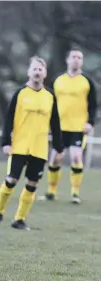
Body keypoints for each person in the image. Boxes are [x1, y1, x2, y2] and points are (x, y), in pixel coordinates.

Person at [0, 56, 64, 231]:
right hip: (19, 146)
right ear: (29, 72)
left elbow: (56, 123)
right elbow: (8, 119)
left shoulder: (50, 96)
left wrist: (59, 147)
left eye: (40, 70)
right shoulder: (20, 93)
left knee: (32, 183)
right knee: (11, 180)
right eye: (34, 69)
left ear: (45, 73)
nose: (37, 72)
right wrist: (6, 141)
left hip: (40, 148)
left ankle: (19, 219)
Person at [39, 48, 98, 204]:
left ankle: (75, 193)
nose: (76, 60)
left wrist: (90, 122)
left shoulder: (87, 81)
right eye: (74, 57)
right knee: (56, 159)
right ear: (67, 59)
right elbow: (48, 100)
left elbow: (93, 105)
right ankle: (51, 192)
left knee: (76, 158)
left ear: (82, 61)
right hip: (59, 127)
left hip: (78, 127)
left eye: (79, 57)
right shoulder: (58, 80)